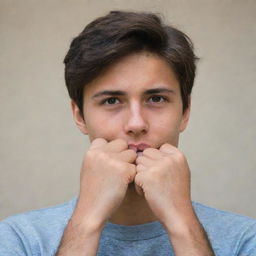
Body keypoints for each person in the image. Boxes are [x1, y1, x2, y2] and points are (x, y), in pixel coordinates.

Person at [0, 10, 255, 256]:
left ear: (185, 111)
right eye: (112, 101)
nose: (136, 123)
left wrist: (183, 227)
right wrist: (87, 222)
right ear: (79, 116)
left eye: (156, 98)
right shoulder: (20, 239)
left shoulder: (244, 239)